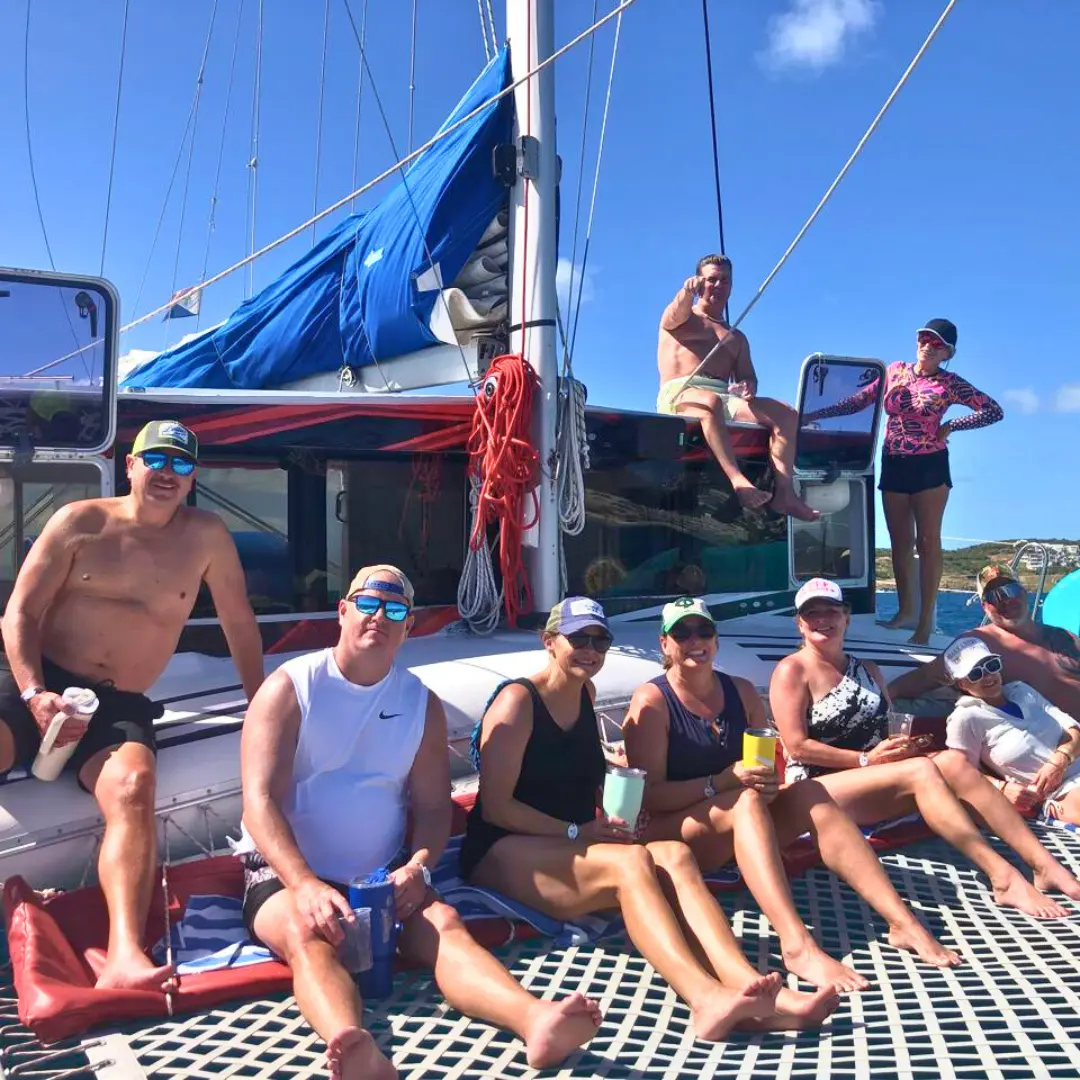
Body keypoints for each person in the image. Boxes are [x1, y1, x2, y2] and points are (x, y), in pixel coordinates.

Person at [239, 567, 603, 1080]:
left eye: (395, 611)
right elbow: (259, 803)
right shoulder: (289, 688)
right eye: (368, 603)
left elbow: (434, 808)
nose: (378, 618)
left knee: (446, 926)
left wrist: (419, 866)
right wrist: (305, 885)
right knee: (307, 935)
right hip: (285, 873)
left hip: (384, 875)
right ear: (342, 611)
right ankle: (354, 1044)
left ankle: (536, 1019)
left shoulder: (420, 703)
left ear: (408, 628)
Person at [462, 595, 844, 1040]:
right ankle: (704, 998)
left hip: (567, 842)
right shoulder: (517, 703)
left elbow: (578, 774)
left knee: (676, 855)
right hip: (501, 851)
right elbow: (496, 807)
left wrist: (613, 805)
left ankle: (748, 987)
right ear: (550, 642)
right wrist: (578, 831)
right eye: (578, 638)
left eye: (600, 640)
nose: (590, 649)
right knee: (632, 865)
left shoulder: (584, 693)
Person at [0, 420, 264, 993]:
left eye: (182, 464)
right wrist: (33, 694)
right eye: (156, 460)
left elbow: (238, 622)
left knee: (132, 786)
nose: (168, 473)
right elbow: (18, 612)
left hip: (116, 701)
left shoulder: (207, 536)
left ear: (193, 477)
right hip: (41, 682)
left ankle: (124, 955)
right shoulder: (80, 523)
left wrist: (259, 704)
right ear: (131, 465)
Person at [622, 597, 959, 990]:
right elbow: (649, 799)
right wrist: (721, 784)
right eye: (682, 632)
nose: (694, 640)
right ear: (664, 644)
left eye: (704, 631)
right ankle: (796, 943)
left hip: (739, 816)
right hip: (677, 831)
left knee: (811, 794)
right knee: (744, 801)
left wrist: (765, 786)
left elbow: (764, 767)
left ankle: (904, 923)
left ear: (715, 639)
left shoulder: (742, 693)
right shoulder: (653, 702)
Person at [769, 579, 1080, 918]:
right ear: (800, 623)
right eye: (812, 613)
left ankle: (1043, 864)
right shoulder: (792, 670)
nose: (822, 619)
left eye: (831, 611)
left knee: (952, 763)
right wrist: (865, 759)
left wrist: (904, 748)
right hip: (817, 790)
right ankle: (1003, 877)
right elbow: (797, 747)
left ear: (846, 617)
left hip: (873, 780)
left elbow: (882, 730)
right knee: (922, 770)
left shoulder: (868, 671)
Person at [656, 254, 818, 521]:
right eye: (711, 280)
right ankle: (738, 481)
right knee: (710, 402)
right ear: (699, 282)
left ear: (731, 286)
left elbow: (748, 377)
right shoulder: (682, 317)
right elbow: (673, 314)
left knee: (787, 414)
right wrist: (686, 292)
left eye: (725, 280)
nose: (718, 286)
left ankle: (785, 494)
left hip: (723, 395)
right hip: (681, 392)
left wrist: (748, 388)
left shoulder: (736, 338)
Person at [890, 564, 1080, 720]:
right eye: (993, 596)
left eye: (1010, 590)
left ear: (1023, 592)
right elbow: (925, 678)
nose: (1005, 600)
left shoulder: (1065, 637)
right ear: (984, 608)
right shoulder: (977, 644)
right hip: (1053, 746)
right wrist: (884, 694)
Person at [943, 636, 1080, 823]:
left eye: (991, 665)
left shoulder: (1021, 691)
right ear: (962, 684)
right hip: (1062, 791)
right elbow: (960, 772)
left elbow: (1073, 729)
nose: (988, 676)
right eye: (975, 674)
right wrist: (1002, 788)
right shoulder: (965, 718)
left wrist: (1059, 761)